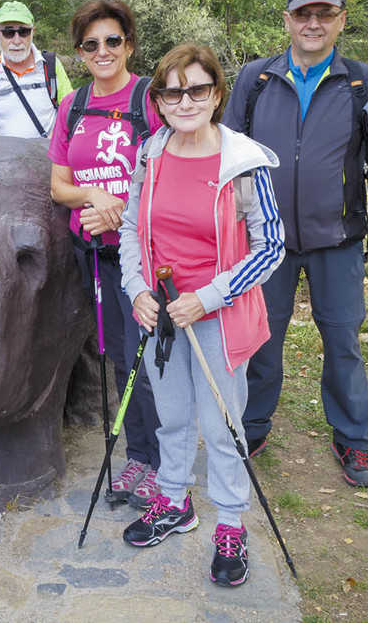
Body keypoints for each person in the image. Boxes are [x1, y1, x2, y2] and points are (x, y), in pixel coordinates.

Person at [223, 0, 368, 487]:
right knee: (261, 340)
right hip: (266, 245)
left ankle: (353, 440)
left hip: (339, 241)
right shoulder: (254, 79)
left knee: (343, 341)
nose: (313, 23)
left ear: (340, 21)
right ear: (286, 20)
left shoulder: (361, 81)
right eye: (303, 14)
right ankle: (251, 425)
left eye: (324, 14)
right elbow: (227, 160)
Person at [118, 43, 285, 587]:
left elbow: (271, 246)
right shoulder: (149, 154)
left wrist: (210, 296)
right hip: (163, 313)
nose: (185, 100)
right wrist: (137, 286)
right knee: (172, 416)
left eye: (197, 89)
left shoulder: (243, 161)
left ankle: (230, 525)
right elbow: (129, 230)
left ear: (216, 94)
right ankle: (174, 503)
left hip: (218, 314)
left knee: (221, 426)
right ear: (160, 100)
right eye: (173, 91)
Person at [48, 0, 164, 510]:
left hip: (144, 255)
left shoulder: (150, 99)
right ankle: (140, 453)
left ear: (129, 45)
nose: (103, 51)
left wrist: (124, 209)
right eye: (91, 44)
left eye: (112, 41)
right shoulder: (71, 106)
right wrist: (92, 198)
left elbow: (170, 176)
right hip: (92, 253)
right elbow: (58, 185)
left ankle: (162, 461)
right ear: (79, 53)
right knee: (119, 358)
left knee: (151, 357)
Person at [0, 1, 73, 138]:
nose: (17, 41)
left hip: (45, 157)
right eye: (8, 32)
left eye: (24, 31)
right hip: (0, 158)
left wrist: (55, 139)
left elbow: (70, 112)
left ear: (32, 32)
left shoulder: (51, 66)